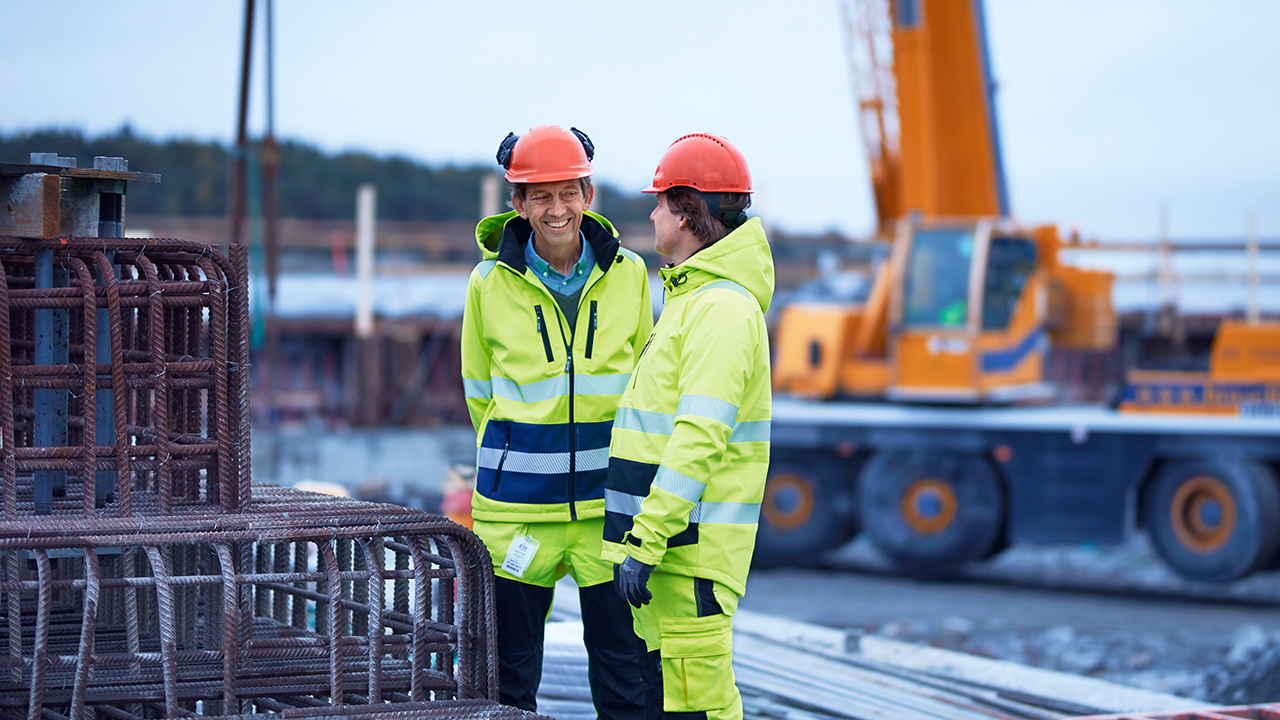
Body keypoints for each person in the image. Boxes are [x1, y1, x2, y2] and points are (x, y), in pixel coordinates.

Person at [461, 124, 655, 718]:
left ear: (587, 195)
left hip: (609, 512)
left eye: (567, 193)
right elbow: (478, 393)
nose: (556, 209)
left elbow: (648, 386)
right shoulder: (487, 284)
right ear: (517, 204)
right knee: (509, 677)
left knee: (626, 673)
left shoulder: (632, 276)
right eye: (540, 196)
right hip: (517, 515)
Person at [602, 133, 773, 720]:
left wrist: (646, 541)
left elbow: (698, 438)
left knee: (697, 709)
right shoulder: (692, 300)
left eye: (660, 202)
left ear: (688, 210)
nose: (651, 213)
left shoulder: (719, 309)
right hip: (674, 555)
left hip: (684, 553)